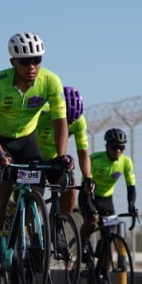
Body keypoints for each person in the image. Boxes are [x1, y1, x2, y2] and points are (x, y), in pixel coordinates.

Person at [0, 32, 72, 270]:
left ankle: (31, 237)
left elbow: (60, 121)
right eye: (25, 61)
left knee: (37, 191)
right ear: (13, 63)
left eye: (36, 60)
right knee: (1, 190)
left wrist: (61, 155)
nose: (32, 66)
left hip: (27, 139)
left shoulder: (50, 81)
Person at [79, 127, 138, 260]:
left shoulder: (126, 162)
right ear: (107, 146)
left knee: (110, 232)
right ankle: (82, 243)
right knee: (92, 221)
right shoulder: (94, 159)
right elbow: (86, 185)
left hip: (106, 199)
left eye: (121, 148)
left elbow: (131, 186)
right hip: (89, 196)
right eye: (114, 147)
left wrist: (131, 206)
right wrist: (91, 211)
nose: (118, 150)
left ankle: (103, 272)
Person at [36, 86, 91, 214]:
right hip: (34, 157)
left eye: (71, 122)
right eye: (66, 120)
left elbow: (83, 153)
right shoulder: (41, 114)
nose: (67, 126)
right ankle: (26, 227)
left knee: (71, 186)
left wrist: (87, 177)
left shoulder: (79, 122)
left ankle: (58, 226)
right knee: (36, 193)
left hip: (55, 159)